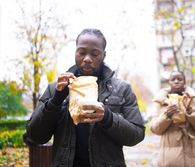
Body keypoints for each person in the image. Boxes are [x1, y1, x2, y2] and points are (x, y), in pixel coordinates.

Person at [23, 28, 145, 167]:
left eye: (95, 54)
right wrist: (56, 101)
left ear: (103, 55)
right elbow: (35, 135)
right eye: (81, 52)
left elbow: (137, 134)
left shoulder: (122, 89)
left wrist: (108, 118)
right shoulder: (56, 88)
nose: (87, 59)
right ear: (75, 52)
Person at [150, 71, 195, 167]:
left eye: (180, 79)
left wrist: (191, 112)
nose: (176, 81)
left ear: (184, 82)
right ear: (169, 82)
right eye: (173, 79)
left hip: (192, 158)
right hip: (169, 159)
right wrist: (166, 116)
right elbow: (155, 129)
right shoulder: (160, 103)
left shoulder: (194, 101)